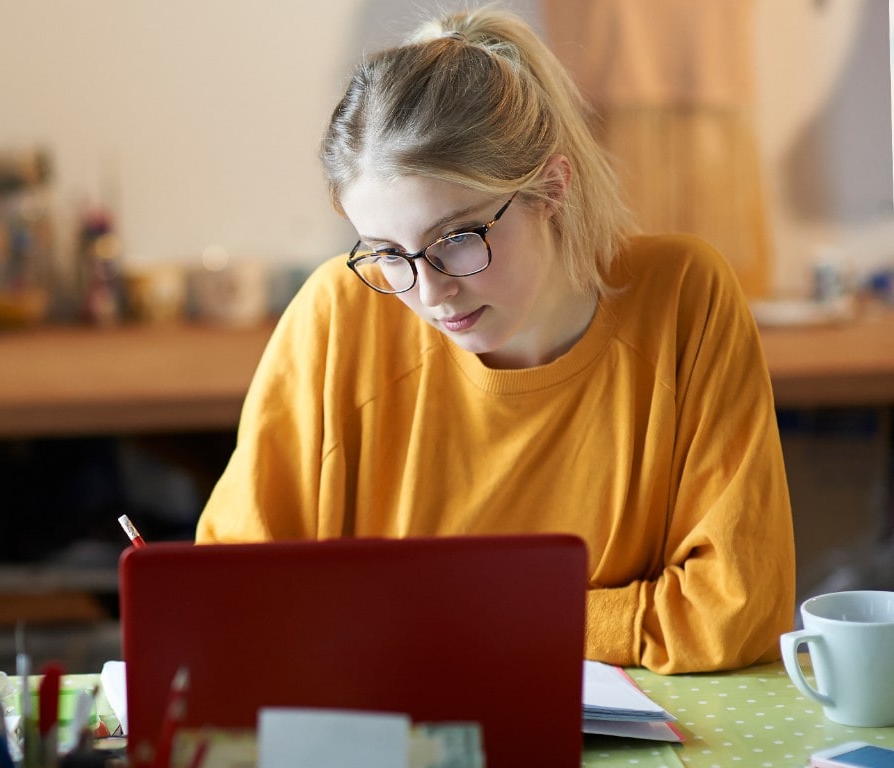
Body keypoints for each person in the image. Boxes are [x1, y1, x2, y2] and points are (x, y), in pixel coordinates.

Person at [194, 4, 795, 675]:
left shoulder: (685, 297)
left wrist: (442, 616)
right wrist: (598, 616)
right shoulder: (339, 312)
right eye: (388, 251)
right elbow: (231, 592)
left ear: (551, 188)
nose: (428, 292)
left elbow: (735, 610)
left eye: (457, 239)